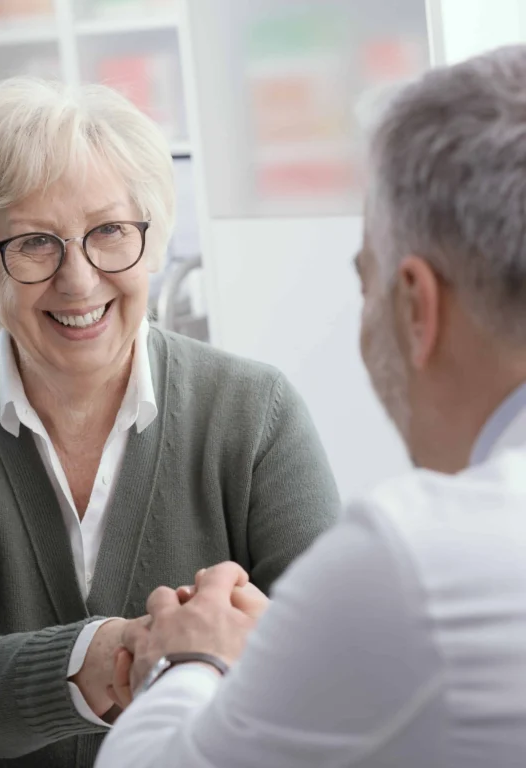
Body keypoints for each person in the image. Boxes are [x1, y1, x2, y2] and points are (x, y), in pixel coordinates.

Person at [0, 76, 341, 768]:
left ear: (152, 239)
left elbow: (328, 659)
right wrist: (143, 651)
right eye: (33, 243)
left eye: (109, 231)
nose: (79, 280)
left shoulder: (254, 412)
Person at [96, 45, 526, 768]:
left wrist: (191, 662)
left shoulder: (413, 564)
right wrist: (298, 657)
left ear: (417, 305)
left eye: (367, 283)